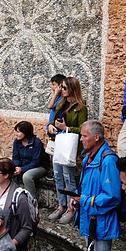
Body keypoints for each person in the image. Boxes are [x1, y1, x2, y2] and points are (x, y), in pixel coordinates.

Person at [68, 120, 121, 251]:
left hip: (102, 220)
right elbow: (86, 185)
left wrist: (83, 200)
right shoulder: (88, 157)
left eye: (84, 136)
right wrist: (77, 198)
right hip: (90, 217)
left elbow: (112, 196)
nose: (81, 139)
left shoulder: (108, 160)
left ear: (96, 137)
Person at [47, 76, 87, 224]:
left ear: (72, 88)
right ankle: (61, 205)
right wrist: (51, 125)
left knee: (68, 177)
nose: (61, 90)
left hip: (70, 146)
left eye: (64, 87)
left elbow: (83, 128)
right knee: (58, 176)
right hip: (58, 144)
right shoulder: (62, 103)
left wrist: (67, 128)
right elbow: (54, 119)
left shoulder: (80, 107)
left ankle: (72, 207)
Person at [12, 121, 46, 198]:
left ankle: (31, 200)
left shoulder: (36, 142)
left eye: (18, 132)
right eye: (16, 132)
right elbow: (15, 157)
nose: (16, 134)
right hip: (22, 166)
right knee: (5, 170)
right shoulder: (17, 142)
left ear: (26, 132)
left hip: (39, 167)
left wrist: (22, 169)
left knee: (27, 177)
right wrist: (16, 167)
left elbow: (36, 161)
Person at [44, 74, 66, 181]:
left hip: (57, 128)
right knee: (52, 150)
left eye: (54, 85)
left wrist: (56, 93)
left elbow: (50, 106)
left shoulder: (61, 98)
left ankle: (57, 172)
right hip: (51, 126)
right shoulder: (57, 97)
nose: (52, 88)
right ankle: (54, 170)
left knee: (57, 151)